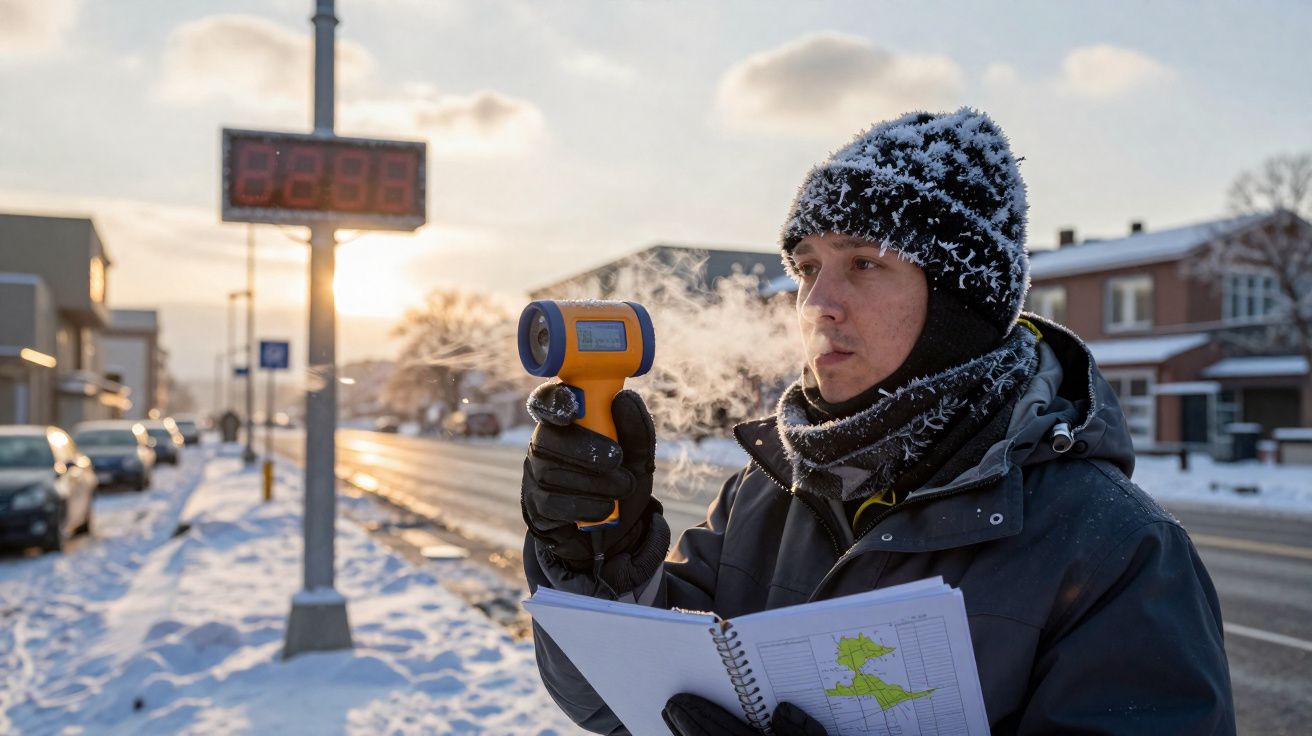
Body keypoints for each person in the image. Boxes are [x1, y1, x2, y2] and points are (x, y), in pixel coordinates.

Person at [521, 108, 1236, 735]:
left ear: (961, 303)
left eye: (863, 263)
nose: (817, 302)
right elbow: (613, 705)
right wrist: (602, 561)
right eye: (806, 266)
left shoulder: (1116, 549)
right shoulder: (766, 492)